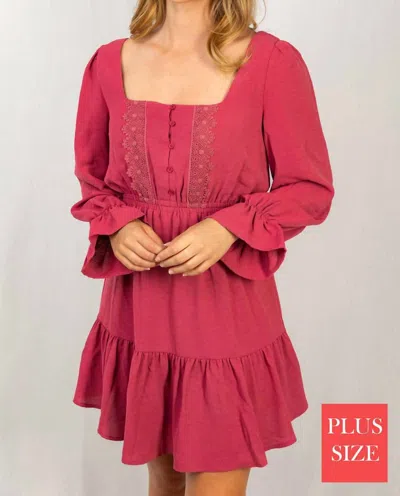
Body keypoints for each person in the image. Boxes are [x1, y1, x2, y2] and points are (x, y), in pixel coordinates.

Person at [70, 0, 335, 494]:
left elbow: (309, 187)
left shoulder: (272, 62)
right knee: (163, 481)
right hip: (140, 308)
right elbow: (92, 176)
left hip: (224, 313)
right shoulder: (108, 62)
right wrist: (118, 226)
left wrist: (227, 227)